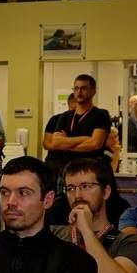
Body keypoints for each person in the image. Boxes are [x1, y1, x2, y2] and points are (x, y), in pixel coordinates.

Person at [41, 74, 111, 224]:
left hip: (91, 173)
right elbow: (55, 143)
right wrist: (85, 138)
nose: (79, 92)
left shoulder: (101, 115)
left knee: (91, 213)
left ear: (93, 91)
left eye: (84, 88)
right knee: (64, 214)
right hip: (67, 172)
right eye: (76, 88)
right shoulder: (64, 117)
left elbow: (95, 144)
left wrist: (67, 143)